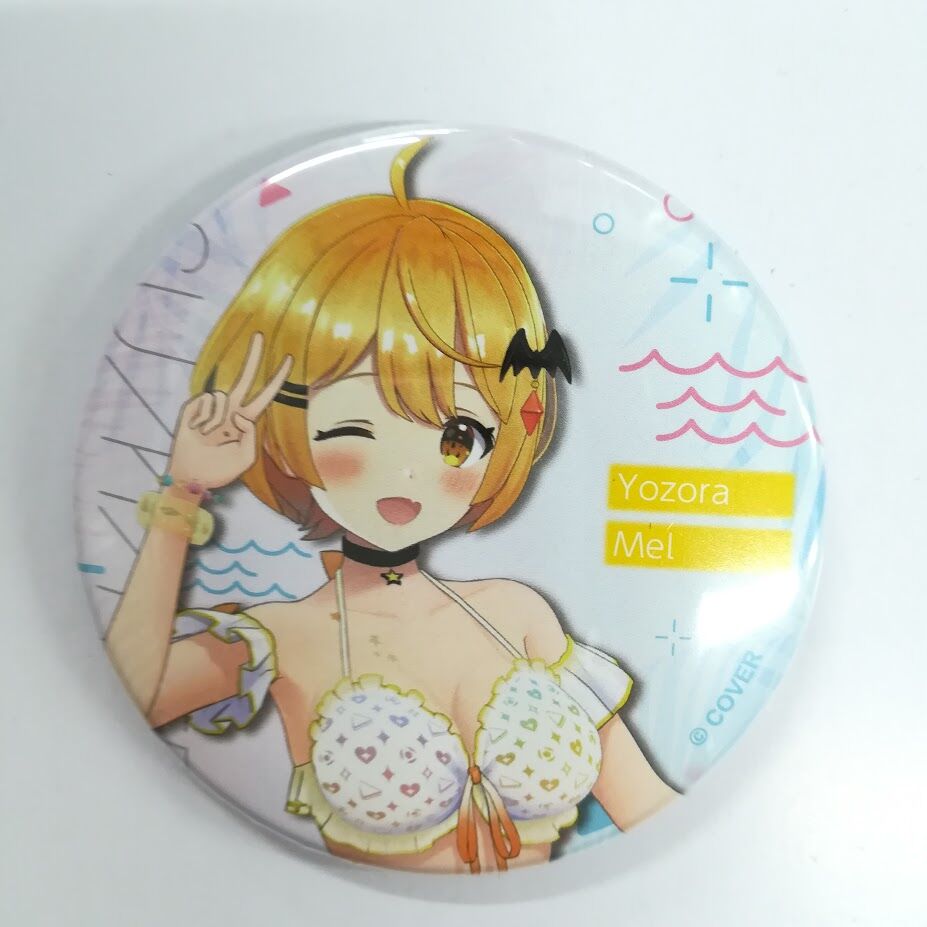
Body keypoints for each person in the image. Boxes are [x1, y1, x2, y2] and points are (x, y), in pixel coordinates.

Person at [106, 139, 676, 873]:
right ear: (286, 438)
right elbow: (131, 695)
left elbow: (650, 810)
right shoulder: (284, 636)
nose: (404, 473)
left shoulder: (517, 614)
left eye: (457, 436)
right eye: (351, 430)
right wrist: (183, 494)